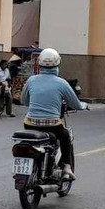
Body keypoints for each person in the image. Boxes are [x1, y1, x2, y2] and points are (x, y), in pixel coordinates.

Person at [20, 47, 87, 180]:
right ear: (58, 64)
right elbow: (75, 104)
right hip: (53, 126)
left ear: (39, 64)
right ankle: (67, 167)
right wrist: (83, 105)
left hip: (29, 124)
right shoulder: (62, 83)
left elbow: (24, 101)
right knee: (66, 135)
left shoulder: (31, 80)